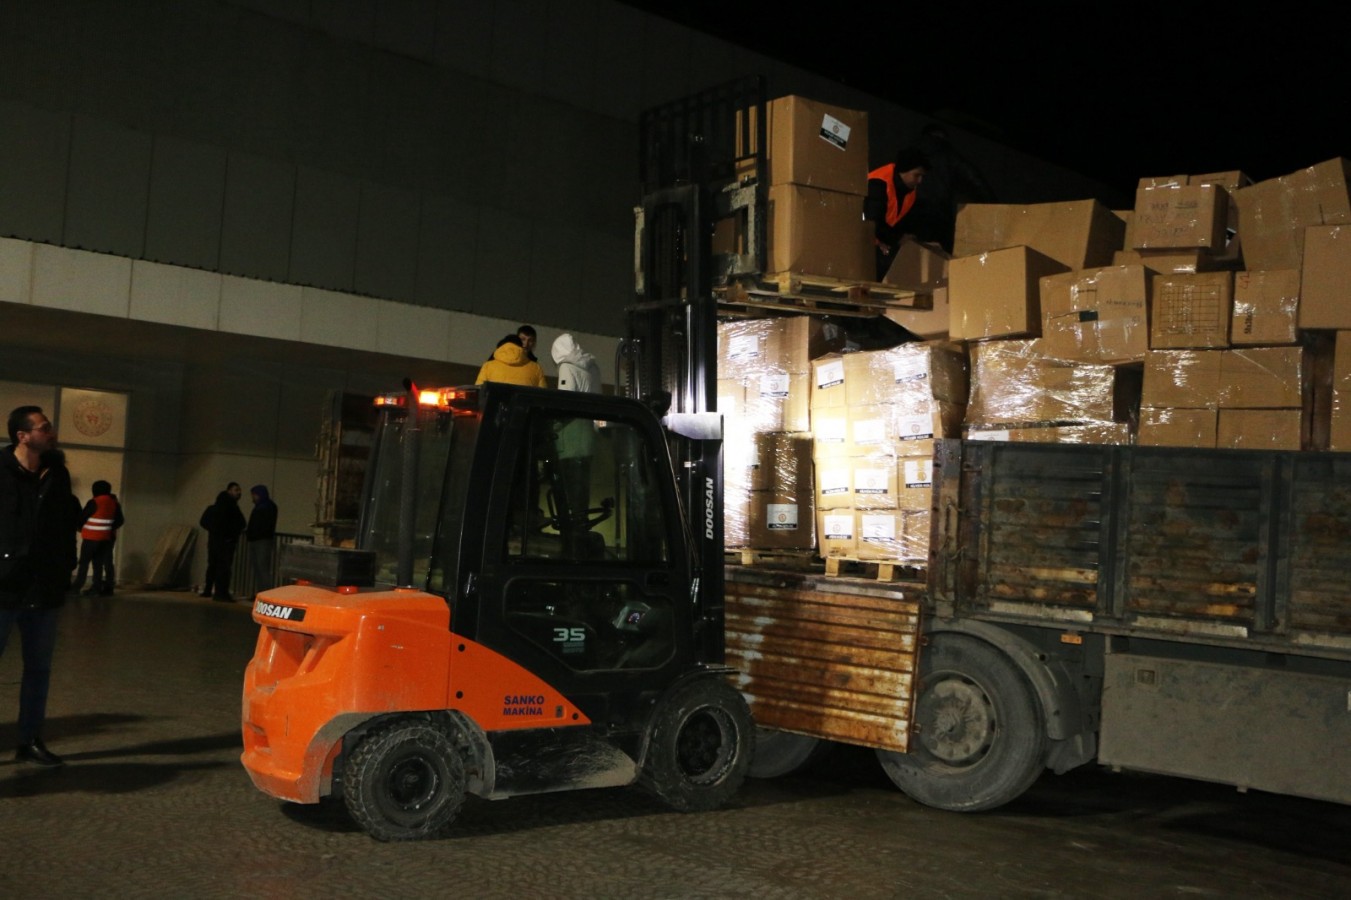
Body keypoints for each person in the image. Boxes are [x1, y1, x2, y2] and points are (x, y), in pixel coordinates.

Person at [1, 406, 78, 766]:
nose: (52, 432)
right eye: (45, 428)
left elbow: (64, 526)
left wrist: (66, 569)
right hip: (3, 587)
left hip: (43, 588)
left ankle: (30, 739)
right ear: (23, 436)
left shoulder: (56, 474)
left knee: (39, 669)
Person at [903, 124, 997, 252]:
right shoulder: (949, 155)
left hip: (910, 213)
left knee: (910, 255)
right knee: (940, 258)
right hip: (938, 216)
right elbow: (975, 179)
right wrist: (993, 204)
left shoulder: (909, 153)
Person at [550, 334, 602, 555]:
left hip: (570, 438)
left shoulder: (567, 368)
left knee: (569, 497)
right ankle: (581, 536)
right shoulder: (592, 367)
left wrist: (551, 426)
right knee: (582, 496)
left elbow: (565, 403)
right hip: (587, 436)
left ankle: (572, 547)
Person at [865, 148, 930, 280]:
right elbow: (872, 222)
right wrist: (897, 239)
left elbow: (902, 222)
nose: (920, 181)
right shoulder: (878, 184)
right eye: (917, 175)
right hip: (863, 242)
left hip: (880, 241)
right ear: (903, 171)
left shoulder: (909, 192)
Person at [72, 479, 124, 596]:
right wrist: (108, 528)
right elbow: (120, 520)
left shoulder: (94, 502)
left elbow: (81, 518)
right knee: (98, 564)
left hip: (91, 538)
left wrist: (80, 528)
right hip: (106, 538)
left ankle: (77, 587)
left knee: (84, 563)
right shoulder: (114, 503)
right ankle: (96, 588)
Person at [199, 482, 246, 602]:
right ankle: (221, 593)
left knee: (212, 566)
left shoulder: (213, 508)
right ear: (229, 491)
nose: (239, 493)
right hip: (226, 542)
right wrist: (230, 535)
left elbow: (203, 522)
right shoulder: (232, 508)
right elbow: (241, 523)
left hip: (214, 541)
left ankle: (208, 589)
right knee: (224, 568)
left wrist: (214, 530)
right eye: (236, 490)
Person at [476, 334, 547, 387]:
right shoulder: (536, 368)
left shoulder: (488, 366)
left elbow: (479, 390)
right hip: (523, 406)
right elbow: (543, 397)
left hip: (494, 406)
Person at [246, 484, 278, 599]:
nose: (253, 498)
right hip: (261, 539)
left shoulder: (263, 507)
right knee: (260, 568)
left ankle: (265, 594)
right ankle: (263, 593)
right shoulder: (268, 506)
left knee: (262, 568)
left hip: (261, 540)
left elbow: (259, 524)